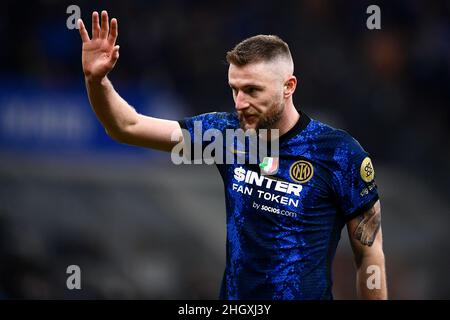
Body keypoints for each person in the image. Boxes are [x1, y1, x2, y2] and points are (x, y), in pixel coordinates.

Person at [77, 10, 387, 300]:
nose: (239, 102)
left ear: (288, 86)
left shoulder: (339, 154)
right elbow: (126, 126)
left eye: (252, 90)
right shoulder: (224, 135)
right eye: (234, 89)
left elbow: (369, 255)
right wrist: (97, 80)